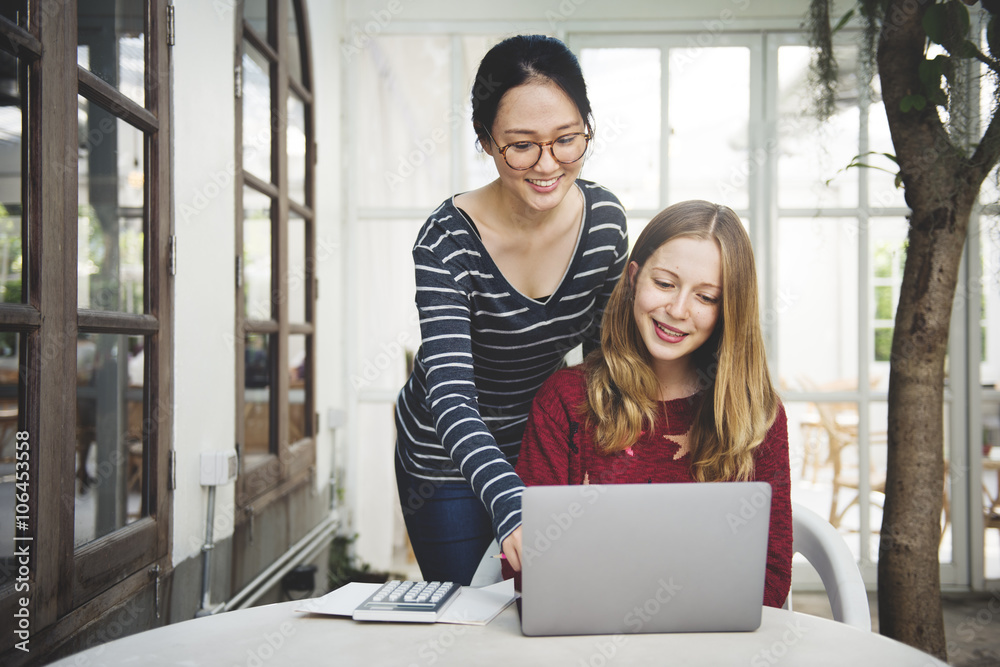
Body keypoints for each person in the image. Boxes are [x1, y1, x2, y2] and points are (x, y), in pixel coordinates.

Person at [394, 34, 629, 585]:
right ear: (485, 140)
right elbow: (450, 394)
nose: (547, 165)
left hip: (541, 446)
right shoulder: (445, 243)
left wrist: (605, 461)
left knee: (547, 610)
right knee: (468, 616)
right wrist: (509, 500)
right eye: (521, 145)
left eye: (567, 140)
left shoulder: (605, 225)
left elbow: (604, 363)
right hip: (445, 457)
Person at [505, 200, 792, 607]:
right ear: (633, 279)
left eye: (706, 297)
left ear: (728, 310)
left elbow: (771, 579)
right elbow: (522, 569)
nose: (677, 310)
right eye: (664, 283)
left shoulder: (757, 415)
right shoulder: (565, 401)